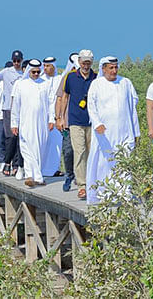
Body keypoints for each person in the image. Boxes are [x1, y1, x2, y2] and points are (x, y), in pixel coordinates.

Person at [86, 56, 140, 204]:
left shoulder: (125, 82)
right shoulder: (96, 84)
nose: (114, 71)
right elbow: (91, 106)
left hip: (125, 131)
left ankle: (124, 193)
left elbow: (132, 104)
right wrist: (97, 123)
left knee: (124, 160)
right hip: (104, 133)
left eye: (116, 67)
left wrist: (136, 131)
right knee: (104, 162)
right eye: (111, 68)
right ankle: (105, 193)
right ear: (103, 69)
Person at [59, 49, 96, 199]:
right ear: (79, 62)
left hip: (92, 121)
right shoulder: (70, 77)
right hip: (75, 121)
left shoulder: (96, 77)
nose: (86, 65)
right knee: (79, 152)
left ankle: (93, 182)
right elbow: (65, 97)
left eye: (88, 62)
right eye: (83, 62)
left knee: (92, 152)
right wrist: (61, 117)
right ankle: (82, 185)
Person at [11, 59, 54, 187]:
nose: (36, 74)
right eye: (33, 72)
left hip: (42, 124)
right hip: (26, 123)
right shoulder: (20, 85)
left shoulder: (45, 84)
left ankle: (37, 175)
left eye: (38, 72)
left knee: (39, 149)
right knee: (26, 148)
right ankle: (31, 176)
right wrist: (14, 123)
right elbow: (16, 106)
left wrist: (52, 119)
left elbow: (51, 103)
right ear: (29, 71)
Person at [0, 51, 25, 176]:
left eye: (18, 61)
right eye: (15, 61)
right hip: (8, 108)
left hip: (22, 109)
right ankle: (8, 162)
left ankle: (17, 164)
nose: (17, 63)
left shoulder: (25, 73)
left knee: (20, 138)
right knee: (10, 137)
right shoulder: (6, 72)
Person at [55, 52, 78, 191]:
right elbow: (59, 98)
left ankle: (81, 178)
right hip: (68, 122)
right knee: (68, 151)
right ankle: (69, 175)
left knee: (82, 151)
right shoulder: (66, 78)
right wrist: (58, 118)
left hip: (82, 121)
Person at [40, 56, 63, 177]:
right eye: (44, 66)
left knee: (56, 144)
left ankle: (53, 169)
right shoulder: (40, 80)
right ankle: (41, 169)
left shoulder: (59, 79)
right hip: (42, 118)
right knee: (42, 143)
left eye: (48, 66)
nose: (45, 68)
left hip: (56, 117)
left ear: (53, 66)